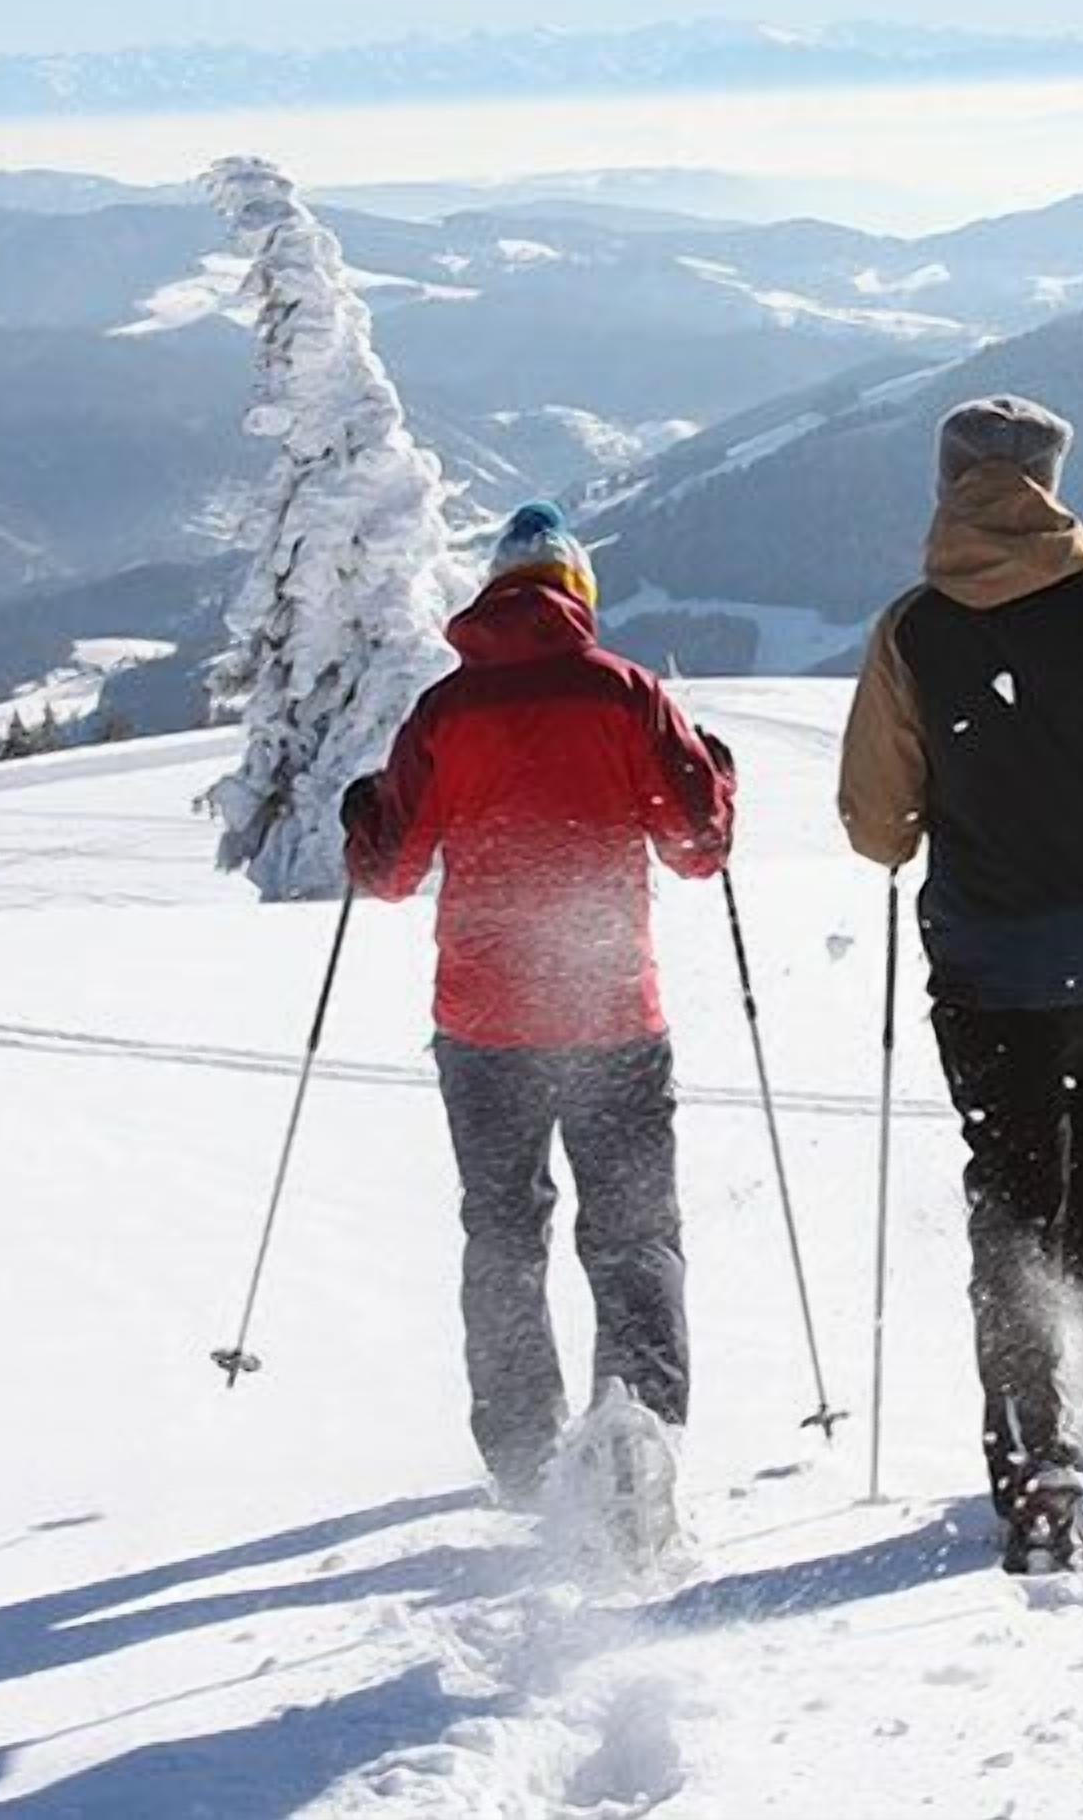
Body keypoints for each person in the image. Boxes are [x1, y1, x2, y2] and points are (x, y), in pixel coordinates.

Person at [838, 397, 1083, 1573]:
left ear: (948, 479)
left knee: (1013, 1184)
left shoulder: (913, 631)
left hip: (990, 954)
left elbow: (875, 827)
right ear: (1053, 481)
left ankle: (1039, 1453)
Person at [343, 500, 736, 1510]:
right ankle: (637, 1437)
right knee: (633, 1229)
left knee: (505, 1233)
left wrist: (361, 818)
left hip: (484, 1024)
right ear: (577, 593)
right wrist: (717, 777)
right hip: (610, 1011)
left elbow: (389, 871)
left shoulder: (444, 712)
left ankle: (523, 1459)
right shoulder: (625, 695)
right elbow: (697, 847)